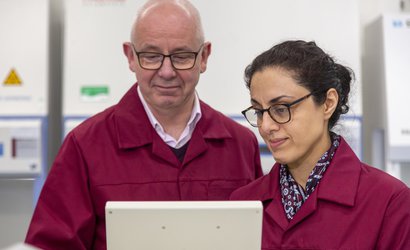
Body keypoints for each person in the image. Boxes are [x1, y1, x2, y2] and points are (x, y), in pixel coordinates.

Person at [25, 0, 263, 249]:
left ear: (204, 57)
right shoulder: (85, 146)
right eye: (151, 56)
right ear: (130, 57)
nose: (167, 71)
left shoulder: (240, 145)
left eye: (182, 57)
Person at [230, 40, 410, 249]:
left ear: (327, 103)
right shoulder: (244, 202)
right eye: (260, 111)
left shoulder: (389, 201)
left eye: (280, 108)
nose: (266, 126)